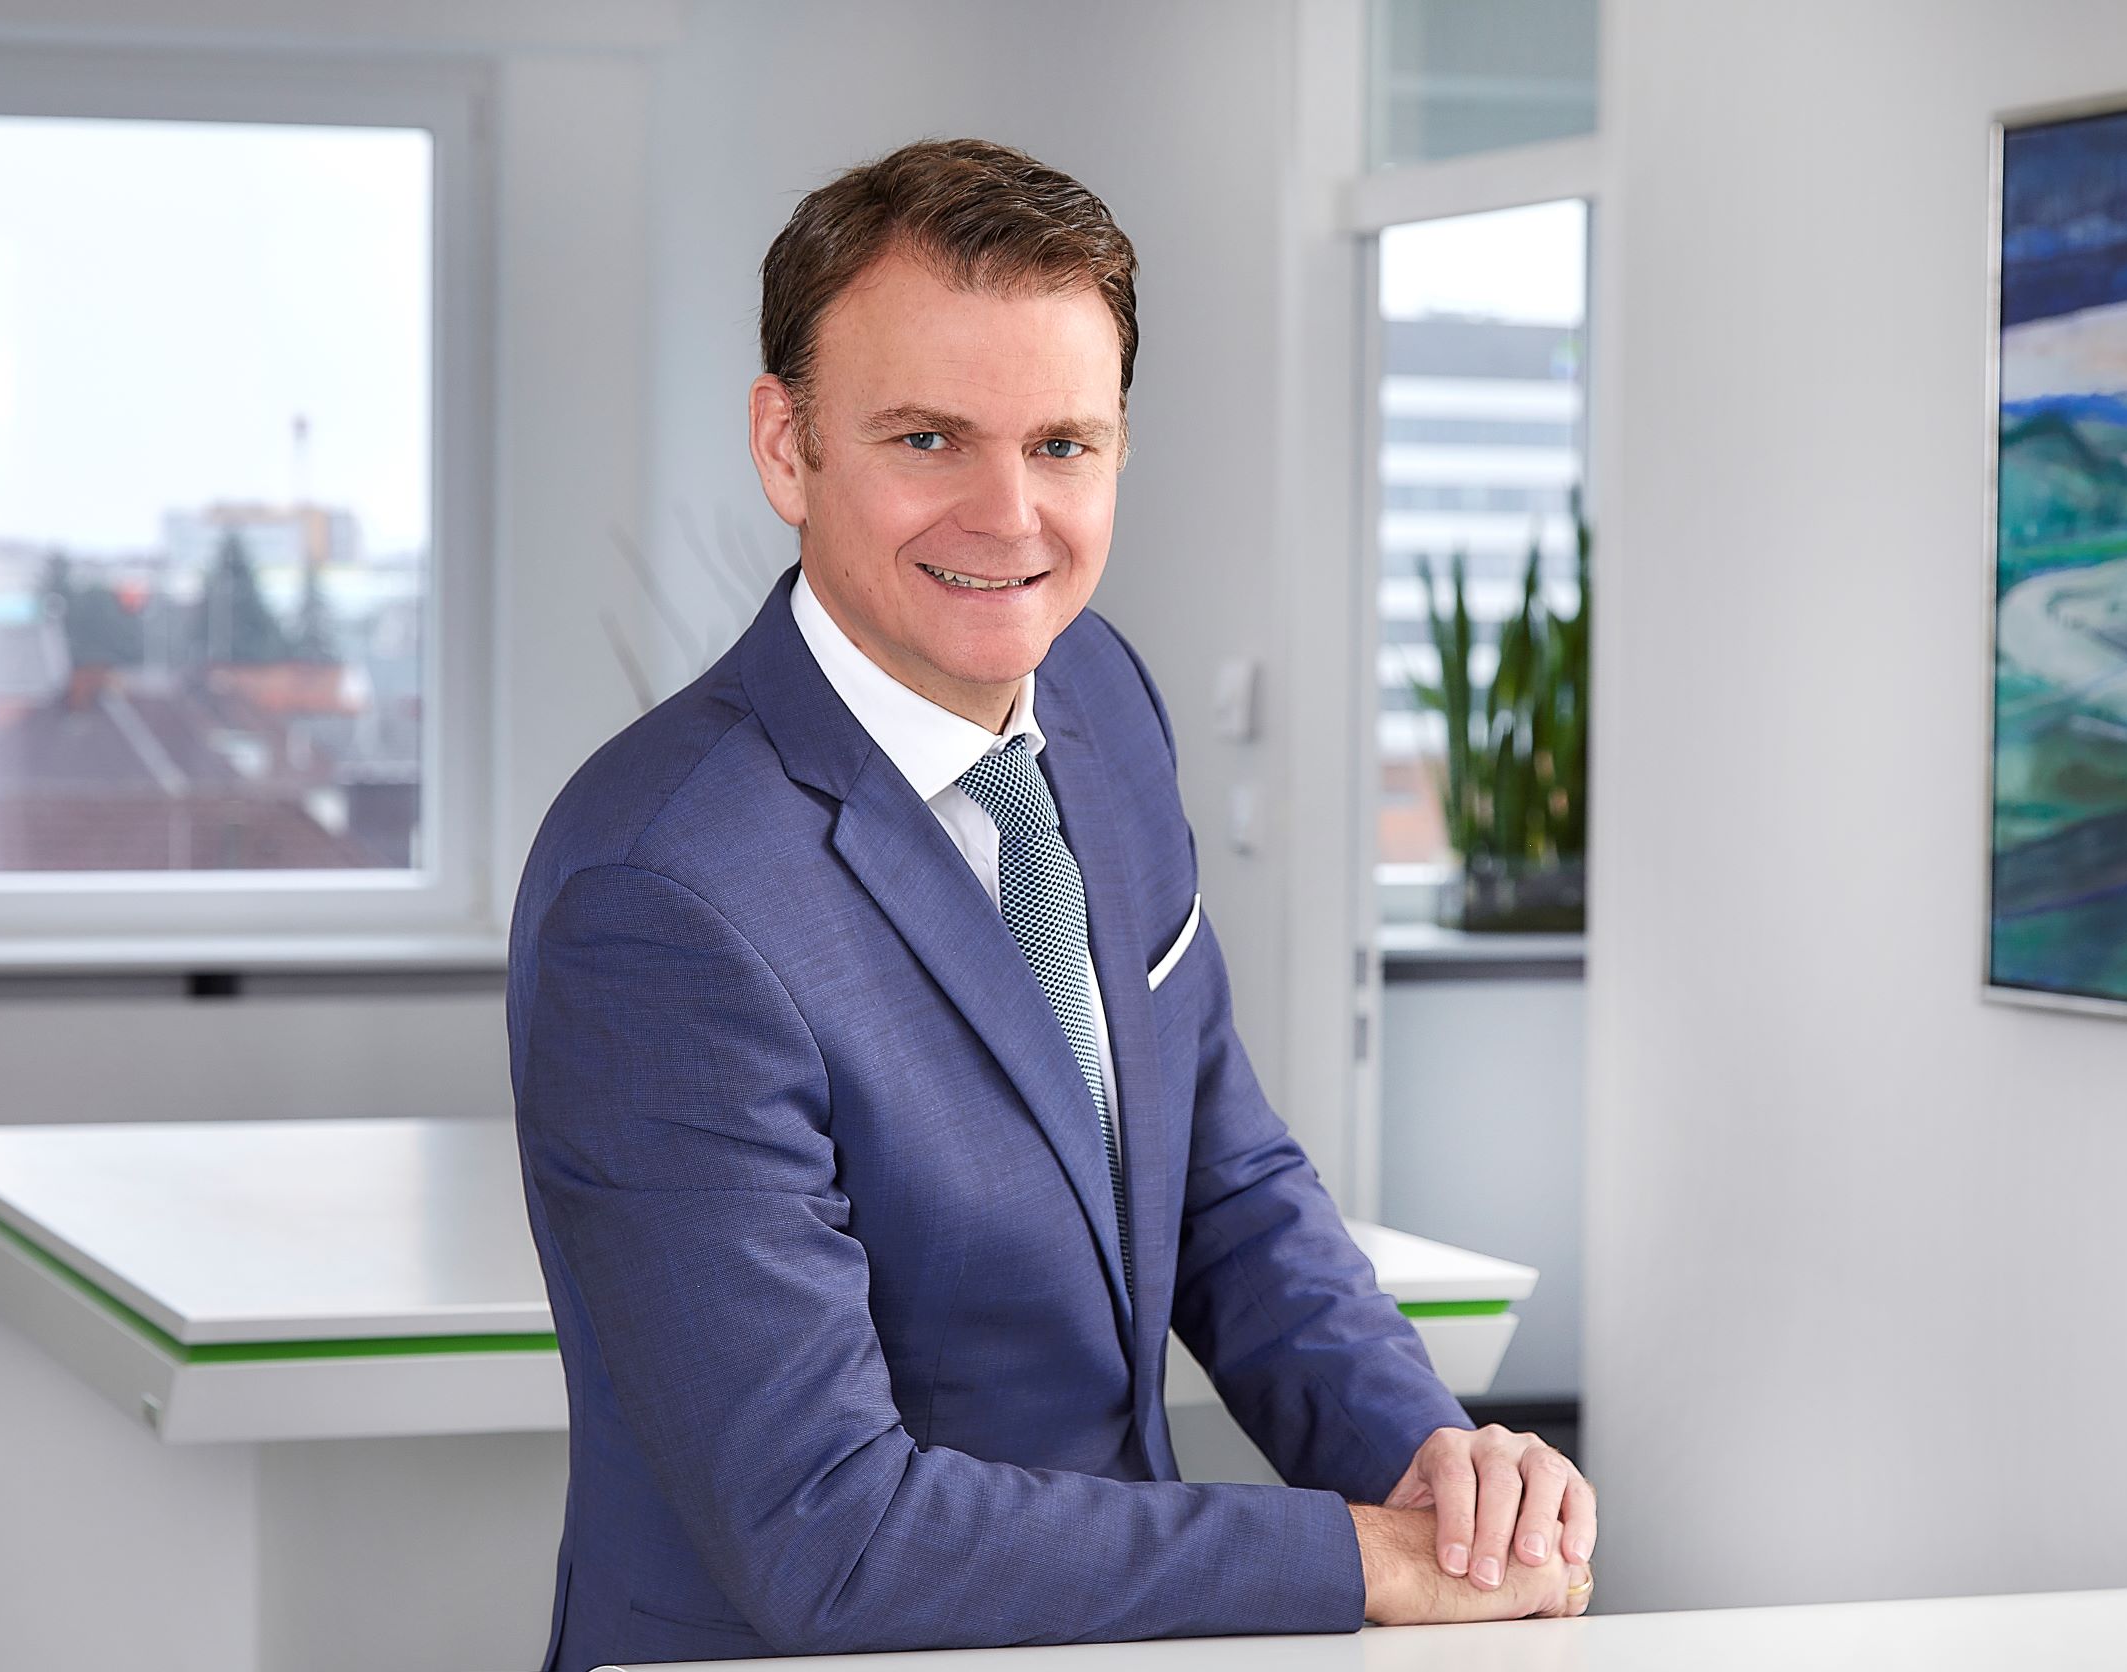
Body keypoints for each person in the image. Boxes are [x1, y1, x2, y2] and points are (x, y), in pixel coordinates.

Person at [505, 137, 1596, 1672]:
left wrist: (1433, 1470)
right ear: (787, 447)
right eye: (929, 439)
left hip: (1120, 1637)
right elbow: (829, 1534)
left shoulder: (1098, 700)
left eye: (1064, 445)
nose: (1010, 516)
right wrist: (1361, 1560)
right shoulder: (662, 891)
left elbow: (1225, 1184)